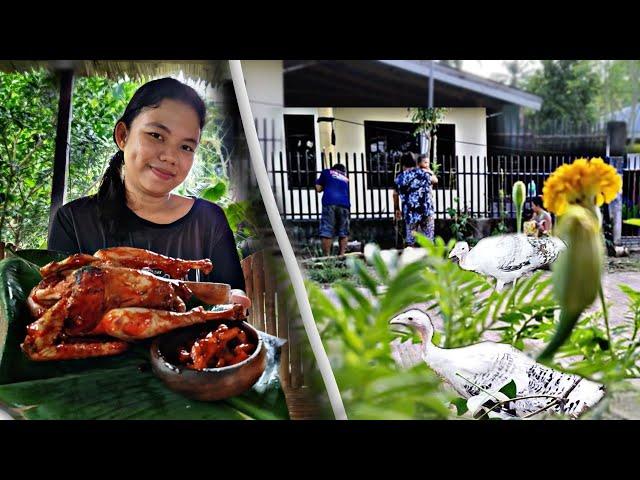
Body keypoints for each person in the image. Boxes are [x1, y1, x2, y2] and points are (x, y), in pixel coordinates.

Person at [48, 77, 250, 308]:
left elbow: (231, 291)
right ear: (123, 135)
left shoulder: (209, 219)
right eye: (156, 135)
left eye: (186, 147)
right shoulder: (73, 220)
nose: (170, 157)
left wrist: (236, 299)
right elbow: (59, 300)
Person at [393, 152, 435, 246]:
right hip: (426, 210)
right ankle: (430, 259)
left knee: (410, 242)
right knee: (429, 241)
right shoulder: (423, 173)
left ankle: (411, 258)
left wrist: (396, 209)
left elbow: (395, 194)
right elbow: (434, 180)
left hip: (410, 212)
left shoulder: (400, 178)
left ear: (402, 164)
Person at [315, 163, 350, 256]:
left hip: (329, 202)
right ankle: (342, 255)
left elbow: (318, 188)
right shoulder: (345, 178)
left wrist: (320, 182)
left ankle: (327, 257)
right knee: (343, 231)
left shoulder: (326, 172)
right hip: (344, 204)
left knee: (327, 229)